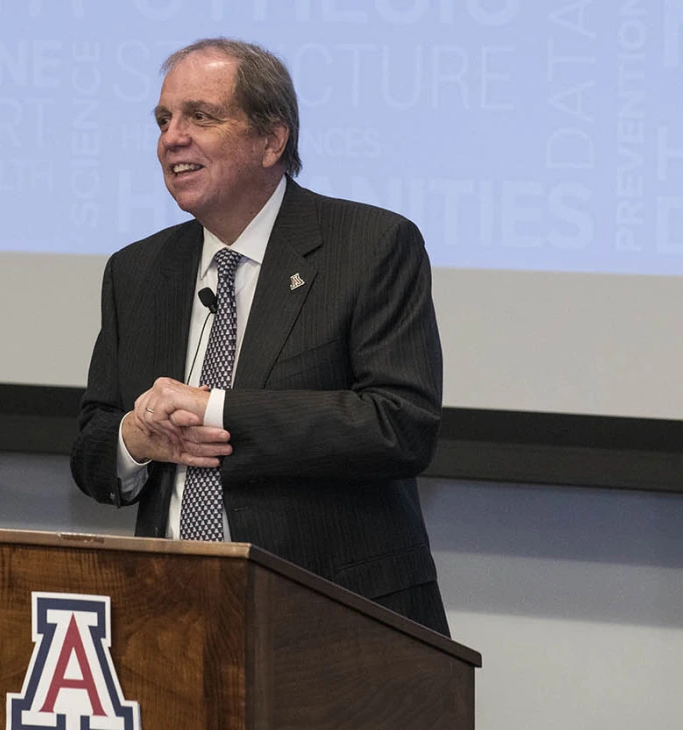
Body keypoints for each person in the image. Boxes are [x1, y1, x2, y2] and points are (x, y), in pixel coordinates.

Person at [70, 38, 450, 636]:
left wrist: (216, 409)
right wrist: (135, 438)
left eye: (201, 116)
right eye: (164, 119)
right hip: (170, 616)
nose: (173, 137)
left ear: (272, 140)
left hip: (332, 620)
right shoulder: (136, 271)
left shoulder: (370, 246)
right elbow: (92, 449)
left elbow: (399, 424)